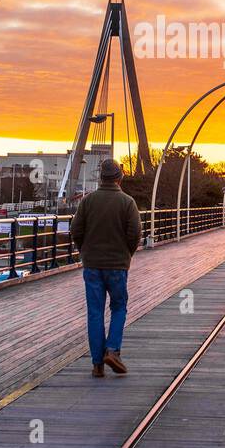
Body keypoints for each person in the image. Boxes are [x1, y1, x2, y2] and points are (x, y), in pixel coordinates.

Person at [70, 158, 142, 377]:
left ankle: (97, 364)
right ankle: (112, 350)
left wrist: (85, 251)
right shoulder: (127, 202)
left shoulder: (87, 202)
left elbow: (76, 230)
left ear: (100, 177)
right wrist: (126, 254)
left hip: (92, 266)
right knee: (119, 307)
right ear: (119, 177)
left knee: (95, 312)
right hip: (117, 266)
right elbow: (135, 233)